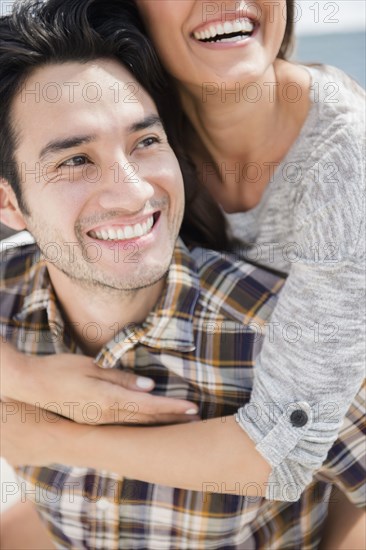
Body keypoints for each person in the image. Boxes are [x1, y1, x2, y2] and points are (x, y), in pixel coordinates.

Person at [0, 1, 364, 549]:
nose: (133, 191)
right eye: (75, 160)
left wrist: (51, 437)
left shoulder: (277, 325)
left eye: (146, 141)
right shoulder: (13, 296)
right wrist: (23, 378)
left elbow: (282, 455)